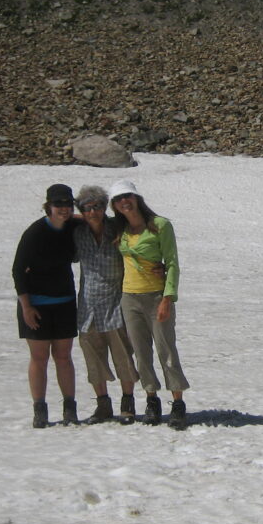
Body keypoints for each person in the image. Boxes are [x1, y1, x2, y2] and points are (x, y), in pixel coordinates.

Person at [109, 179, 190, 428]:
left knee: (166, 349)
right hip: (129, 297)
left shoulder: (160, 226)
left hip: (156, 296)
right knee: (142, 353)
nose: (125, 202)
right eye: (119, 199)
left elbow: (172, 263)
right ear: (114, 205)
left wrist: (168, 298)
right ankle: (151, 399)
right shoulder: (119, 230)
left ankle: (177, 402)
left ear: (137, 198)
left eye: (128, 196)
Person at [72, 184, 143, 424]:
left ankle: (127, 403)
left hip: (115, 303)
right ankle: (103, 405)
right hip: (87, 306)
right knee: (93, 358)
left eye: (98, 206)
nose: (93, 212)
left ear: (105, 207)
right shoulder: (77, 233)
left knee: (123, 355)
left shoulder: (117, 229)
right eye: (87, 208)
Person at [12, 183, 79, 428]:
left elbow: (94, 219)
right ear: (48, 206)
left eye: (67, 204)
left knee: (64, 357)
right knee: (39, 359)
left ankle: (69, 407)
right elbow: (18, 271)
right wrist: (26, 307)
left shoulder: (73, 226)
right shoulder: (35, 233)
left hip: (65, 302)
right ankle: (39, 408)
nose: (63, 209)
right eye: (58, 204)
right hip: (36, 305)